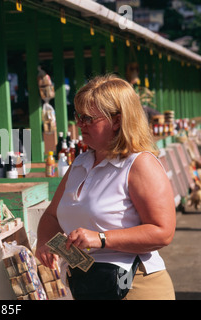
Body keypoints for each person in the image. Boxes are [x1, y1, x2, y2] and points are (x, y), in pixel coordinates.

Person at [35, 74, 176, 300]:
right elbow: (52, 216)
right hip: (88, 285)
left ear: (117, 120)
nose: (80, 124)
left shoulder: (139, 164)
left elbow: (162, 232)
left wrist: (100, 238)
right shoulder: (81, 163)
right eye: (78, 116)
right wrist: (44, 242)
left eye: (89, 118)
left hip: (134, 287)